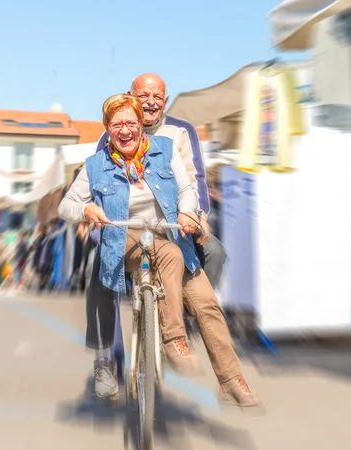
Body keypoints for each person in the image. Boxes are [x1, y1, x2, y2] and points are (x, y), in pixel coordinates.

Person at [58, 94, 259, 407]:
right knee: (168, 255)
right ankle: (174, 340)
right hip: (123, 237)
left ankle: (231, 379)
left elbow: (186, 190)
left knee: (207, 303)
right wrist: (85, 212)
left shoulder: (164, 150)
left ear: (141, 125)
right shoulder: (95, 166)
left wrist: (187, 212)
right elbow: (66, 205)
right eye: (116, 124)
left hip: (170, 233)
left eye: (130, 123)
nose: (124, 130)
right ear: (108, 129)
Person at [91, 73, 228, 370]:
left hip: (173, 222)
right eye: (143, 96)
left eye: (157, 97)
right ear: (131, 96)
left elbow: (195, 179)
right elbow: (97, 181)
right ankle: (107, 359)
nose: (150, 102)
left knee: (215, 253)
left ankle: (183, 315)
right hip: (125, 224)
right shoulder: (111, 133)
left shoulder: (181, 131)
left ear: (165, 100)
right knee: (100, 266)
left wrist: (196, 216)